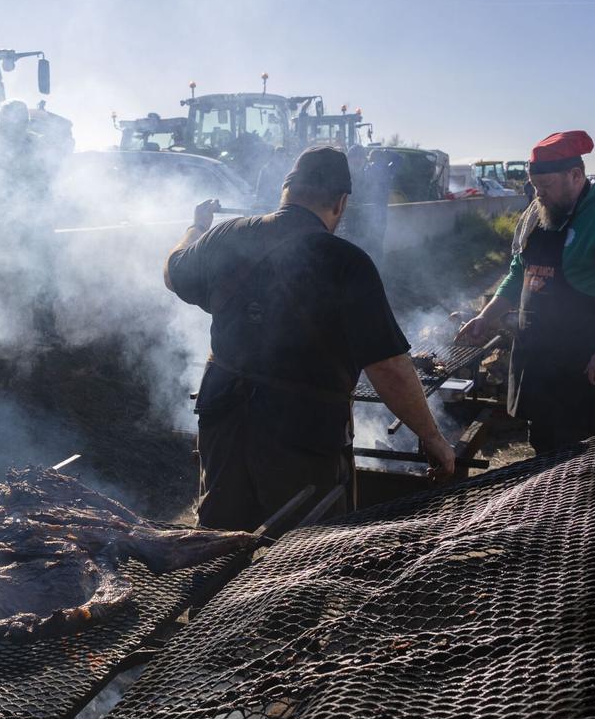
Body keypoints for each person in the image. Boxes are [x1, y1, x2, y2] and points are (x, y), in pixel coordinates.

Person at [164, 146, 456, 532]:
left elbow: (173, 272)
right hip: (301, 436)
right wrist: (432, 437)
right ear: (341, 202)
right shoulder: (347, 262)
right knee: (299, 553)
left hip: (224, 420)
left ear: (286, 190)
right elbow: (388, 368)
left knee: (220, 540)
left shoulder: (225, 235)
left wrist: (197, 226)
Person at [457, 131, 595, 454]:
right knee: (542, 442)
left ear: (576, 175)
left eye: (547, 187)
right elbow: (519, 271)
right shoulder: (540, 213)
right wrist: (486, 317)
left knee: (579, 452)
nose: (539, 196)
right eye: (535, 188)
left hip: (584, 357)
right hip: (539, 354)